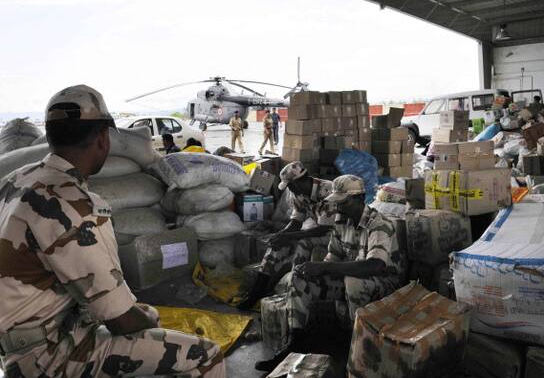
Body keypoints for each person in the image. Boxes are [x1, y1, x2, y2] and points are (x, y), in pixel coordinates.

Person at [0, 85, 226, 378]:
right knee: (205, 355)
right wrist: (147, 320)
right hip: (50, 354)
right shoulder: (74, 207)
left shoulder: (16, 180)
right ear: (104, 139)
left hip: (21, 341)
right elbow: (122, 321)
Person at [255, 175, 407, 372]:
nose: (338, 207)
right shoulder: (341, 222)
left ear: (360, 199)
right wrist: (316, 271)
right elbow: (333, 256)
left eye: (343, 202)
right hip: (353, 277)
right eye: (337, 202)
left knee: (353, 283)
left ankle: (356, 346)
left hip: (385, 283)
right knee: (300, 277)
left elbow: (375, 266)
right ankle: (295, 342)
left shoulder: (379, 224)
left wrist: (324, 268)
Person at [237, 161, 334, 310]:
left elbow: (323, 229)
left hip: (335, 233)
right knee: (276, 245)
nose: (289, 189)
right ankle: (256, 294)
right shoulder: (299, 193)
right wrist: (279, 235)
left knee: (303, 242)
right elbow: (296, 222)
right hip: (319, 229)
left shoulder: (327, 191)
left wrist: (289, 236)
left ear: (298, 182)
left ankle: (294, 290)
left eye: (290, 186)